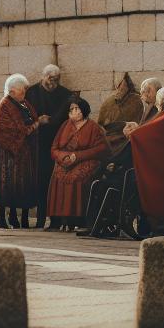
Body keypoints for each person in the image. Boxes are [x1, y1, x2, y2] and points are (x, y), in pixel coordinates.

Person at [128, 87, 164, 237]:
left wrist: (135, 133)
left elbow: (151, 132)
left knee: (161, 192)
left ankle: (161, 228)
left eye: (159, 101)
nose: (157, 104)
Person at [46, 97, 107, 232]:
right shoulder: (65, 125)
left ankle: (76, 219)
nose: (74, 112)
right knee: (57, 175)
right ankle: (57, 220)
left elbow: (101, 148)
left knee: (76, 178)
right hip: (65, 160)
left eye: (77, 108)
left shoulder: (93, 127)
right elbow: (54, 148)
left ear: (84, 110)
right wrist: (63, 157)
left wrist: (78, 156)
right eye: (71, 109)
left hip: (85, 160)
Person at [0, 74, 40, 229]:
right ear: (11, 91)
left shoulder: (24, 104)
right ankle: (2, 217)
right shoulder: (4, 105)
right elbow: (1, 129)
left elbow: (31, 120)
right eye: (22, 91)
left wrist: (32, 127)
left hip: (24, 152)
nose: (24, 94)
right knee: (6, 184)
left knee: (23, 184)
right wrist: (30, 128)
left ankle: (20, 217)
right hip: (7, 153)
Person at [25, 64, 73, 230]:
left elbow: (66, 116)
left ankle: (56, 219)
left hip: (58, 144)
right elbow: (24, 116)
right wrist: (38, 121)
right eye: (50, 79)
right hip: (37, 145)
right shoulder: (31, 93)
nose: (53, 82)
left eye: (56, 79)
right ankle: (40, 217)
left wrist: (51, 121)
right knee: (40, 181)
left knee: (56, 182)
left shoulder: (65, 94)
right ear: (43, 77)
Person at [97, 72, 142, 158]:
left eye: (124, 85)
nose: (121, 88)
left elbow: (140, 123)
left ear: (128, 87)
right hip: (109, 137)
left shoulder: (137, 100)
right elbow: (100, 124)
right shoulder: (109, 102)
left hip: (128, 137)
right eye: (119, 86)